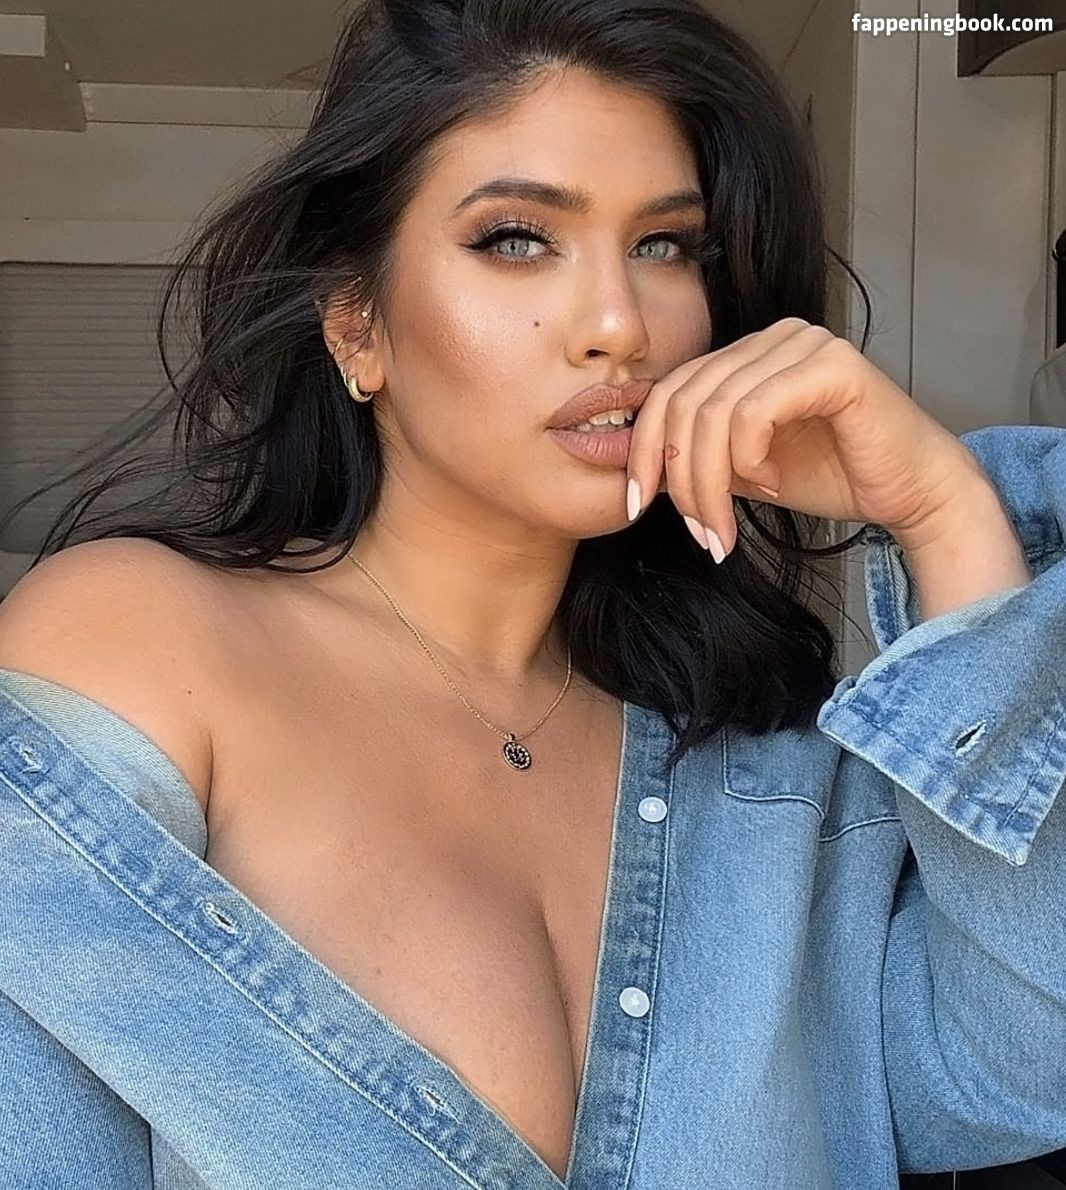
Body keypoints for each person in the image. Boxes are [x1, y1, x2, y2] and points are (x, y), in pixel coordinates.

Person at [1, 1, 1065, 1187]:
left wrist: (943, 509)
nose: (619, 325)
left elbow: (1017, 1070)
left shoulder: (763, 761)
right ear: (356, 325)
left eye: (665, 245)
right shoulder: (137, 642)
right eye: (515, 238)